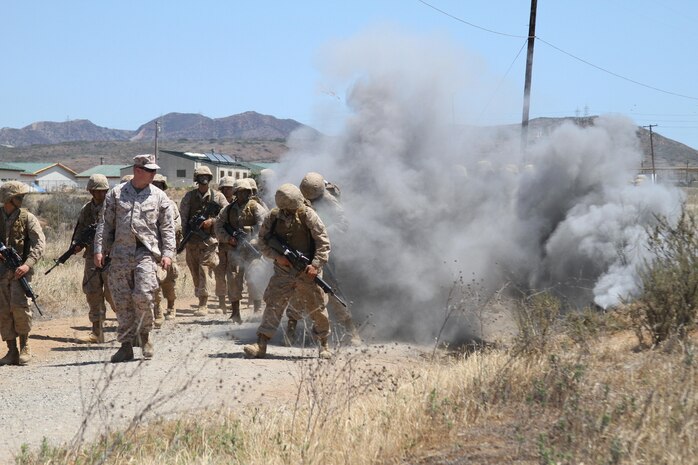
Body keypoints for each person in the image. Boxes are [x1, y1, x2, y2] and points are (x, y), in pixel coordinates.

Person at [94, 154, 175, 363]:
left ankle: (145, 336)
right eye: (150, 170)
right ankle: (126, 346)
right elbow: (105, 224)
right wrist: (99, 250)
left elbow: (167, 228)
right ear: (138, 170)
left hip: (145, 254)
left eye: (155, 170)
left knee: (144, 295)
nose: (154, 174)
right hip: (120, 254)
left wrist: (168, 254)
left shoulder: (158, 196)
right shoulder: (116, 194)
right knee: (122, 301)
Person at [242, 183, 331, 359]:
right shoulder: (273, 217)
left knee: (317, 308)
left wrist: (315, 265)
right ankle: (261, 344)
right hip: (283, 270)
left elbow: (323, 242)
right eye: (288, 208)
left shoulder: (308, 215)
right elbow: (262, 242)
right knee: (273, 305)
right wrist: (277, 257)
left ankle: (323, 344)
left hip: (307, 271)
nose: (291, 211)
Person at [293, 171, 360, 345]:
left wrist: (321, 233)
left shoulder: (329, 199)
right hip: (303, 249)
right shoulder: (300, 197)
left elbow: (343, 223)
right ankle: (292, 329)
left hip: (324, 250)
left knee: (331, 289)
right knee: (297, 288)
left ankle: (350, 330)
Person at [0, 181, 45, 366]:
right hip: (1, 273)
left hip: (20, 273)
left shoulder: (28, 218)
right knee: (3, 311)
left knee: (20, 308)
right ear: (10, 198)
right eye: (19, 197)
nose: (22, 199)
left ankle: (25, 346)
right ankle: (11, 351)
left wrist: (27, 265)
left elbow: (39, 244)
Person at [214, 178, 268, 323]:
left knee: (255, 277)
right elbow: (218, 226)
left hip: (252, 251)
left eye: (246, 192)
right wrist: (228, 238)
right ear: (236, 193)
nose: (244, 195)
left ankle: (257, 310)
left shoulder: (256, 207)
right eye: (241, 192)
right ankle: (235, 312)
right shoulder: (228, 209)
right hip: (235, 250)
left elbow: (264, 227)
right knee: (233, 280)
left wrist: (253, 240)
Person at [179, 166, 228, 316]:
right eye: (200, 176)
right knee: (194, 271)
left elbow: (226, 213)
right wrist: (183, 237)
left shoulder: (218, 197)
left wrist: (211, 221)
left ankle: (203, 303)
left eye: (206, 176)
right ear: (196, 179)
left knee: (204, 269)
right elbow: (183, 218)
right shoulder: (189, 197)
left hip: (209, 241)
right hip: (192, 241)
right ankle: (201, 293)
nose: (203, 179)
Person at [75, 174, 116, 343]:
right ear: (91, 191)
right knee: (93, 292)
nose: (101, 195)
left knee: (114, 293)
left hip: (112, 256)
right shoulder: (87, 209)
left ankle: (129, 327)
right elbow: (80, 229)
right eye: (97, 191)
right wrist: (78, 244)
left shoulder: (113, 207)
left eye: (104, 191)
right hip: (92, 256)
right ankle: (97, 331)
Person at [151, 174, 181, 324]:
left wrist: (162, 229)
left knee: (169, 282)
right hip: (151, 249)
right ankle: (157, 311)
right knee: (153, 281)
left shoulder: (170, 204)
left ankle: (171, 306)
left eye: (160, 185)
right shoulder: (146, 204)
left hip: (167, 249)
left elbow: (177, 225)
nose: (157, 187)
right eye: (154, 184)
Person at [212, 176, 236, 315]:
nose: (227, 191)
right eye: (225, 188)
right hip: (220, 245)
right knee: (220, 274)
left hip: (234, 247)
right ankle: (222, 303)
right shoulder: (216, 204)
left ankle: (234, 303)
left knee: (233, 275)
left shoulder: (239, 205)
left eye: (230, 188)